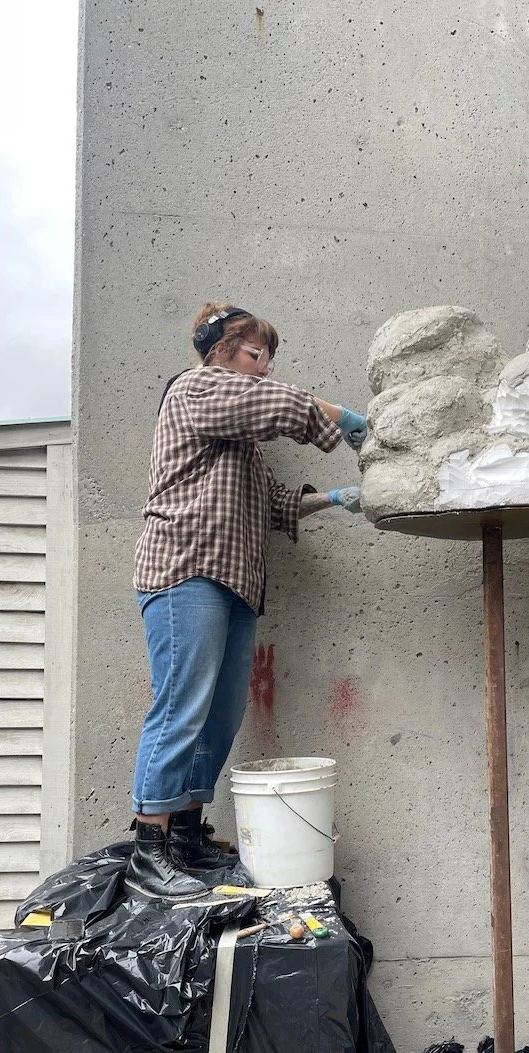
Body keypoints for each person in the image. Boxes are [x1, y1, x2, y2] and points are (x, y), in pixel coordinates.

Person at [127, 302, 366, 900]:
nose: (263, 369)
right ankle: (147, 846)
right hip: (185, 570)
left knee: (221, 713)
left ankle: (185, 835)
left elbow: (274, 504)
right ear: (219, 351)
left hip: (234, 582)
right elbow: (269, 405)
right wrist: (341, 419)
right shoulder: (194, 389)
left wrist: (333, 499)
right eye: (254, 354)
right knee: (182, 706)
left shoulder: (238, 445)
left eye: (268, 359)